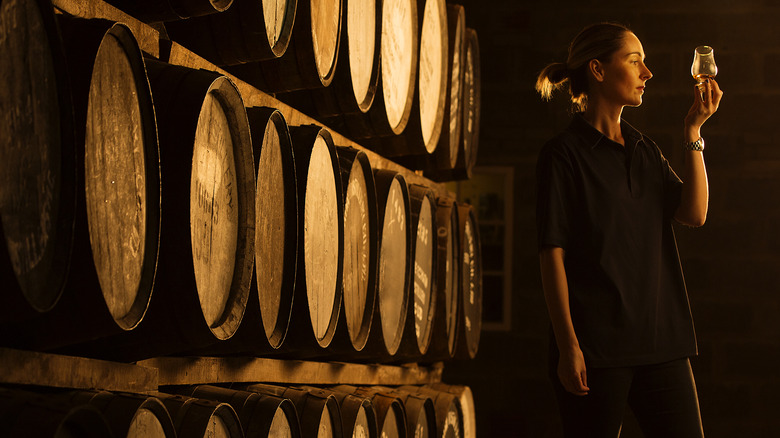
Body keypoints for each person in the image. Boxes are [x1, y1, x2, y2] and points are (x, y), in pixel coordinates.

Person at [534, 22, 722, 437]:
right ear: (599, 70)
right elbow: (552, 254)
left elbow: (695, 213)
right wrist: (568, 346)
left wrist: (693, 132)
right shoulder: (563, 156)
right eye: (635, 61)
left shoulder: (645, 149)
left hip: (662, 341)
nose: (647, 73)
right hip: (596, 348)